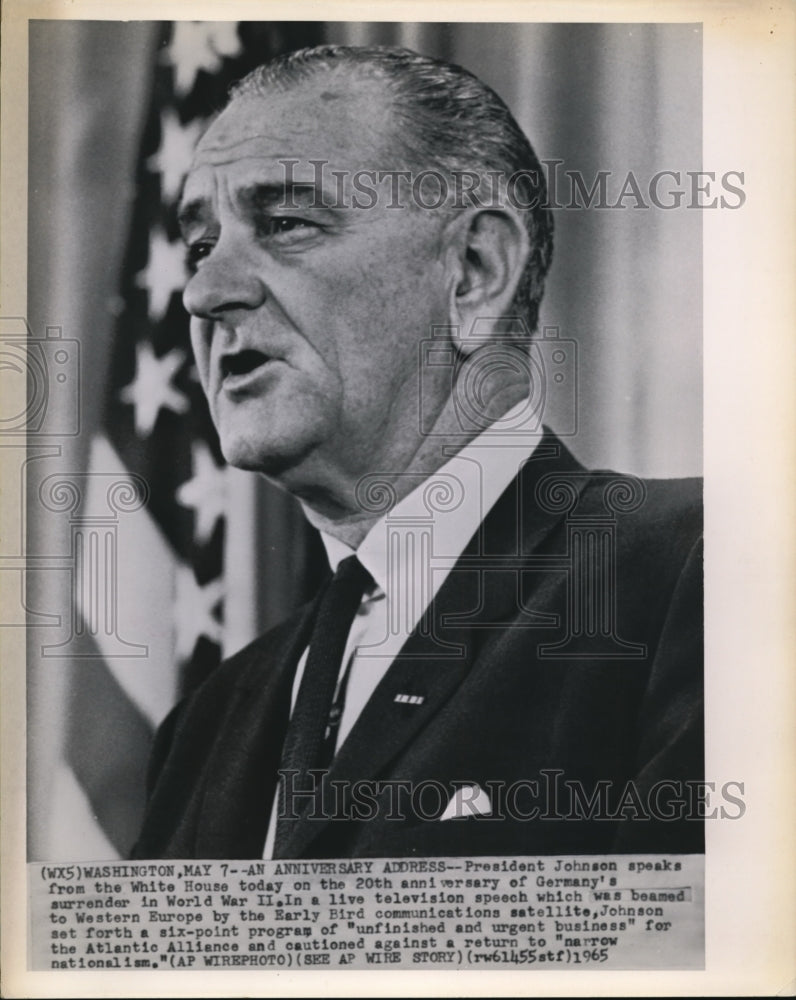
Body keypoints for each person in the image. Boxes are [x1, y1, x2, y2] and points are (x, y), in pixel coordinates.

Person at [131, 45, 702, 860]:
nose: (203, 292)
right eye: (199, 244)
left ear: (473, 272)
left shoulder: (697, 571)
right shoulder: (210, 721)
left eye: (286, 223)